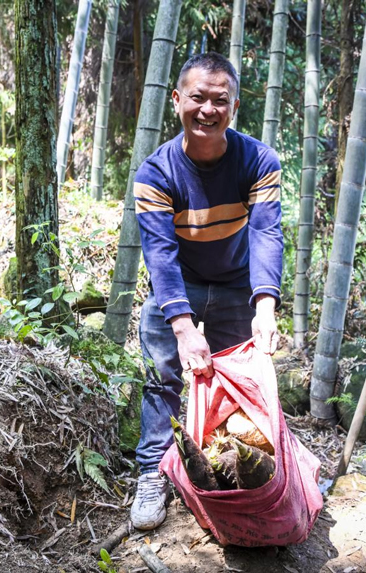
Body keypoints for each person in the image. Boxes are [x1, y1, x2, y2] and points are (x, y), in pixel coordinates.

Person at [130, 52, 283, 530]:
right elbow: (159, 253)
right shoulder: (154, 174)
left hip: (239, 282)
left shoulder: (258, 161)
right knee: (163, 378)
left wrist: (265, 306)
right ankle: (153, 474)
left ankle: (229, 476)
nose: (207, 110)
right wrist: (181, 326)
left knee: (238, 381)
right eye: (197, 98)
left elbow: (265, 233)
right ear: (177, 100)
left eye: (220, 100)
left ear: (234, 108)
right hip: (180, 282)